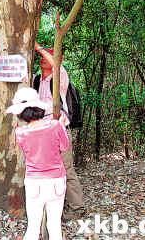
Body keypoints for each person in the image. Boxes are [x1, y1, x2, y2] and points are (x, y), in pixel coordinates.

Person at [6, 87, 70, 240]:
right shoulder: (55, 126)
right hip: (56, 181)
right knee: (54, 225)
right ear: (39, 108)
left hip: (34, 182)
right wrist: (61, 125)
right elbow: (65, 146)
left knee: (33, 226)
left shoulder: (20, 133)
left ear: (21, 113)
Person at [33, 41, 85, 219]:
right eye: (42, 56)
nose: (43, 58)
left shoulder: (60, 76)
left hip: (59, 131)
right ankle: (51, 207)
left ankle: (77, 208)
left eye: (48, 55)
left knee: (65, 168)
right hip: (40, 134)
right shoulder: (35, 79)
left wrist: (38, 47)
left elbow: (56, 65)